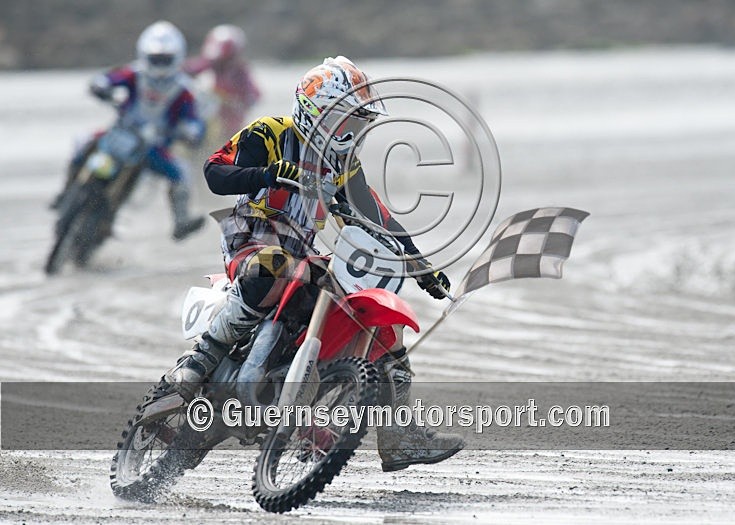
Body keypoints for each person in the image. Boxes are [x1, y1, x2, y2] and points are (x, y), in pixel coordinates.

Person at [165, 56, 464, 471]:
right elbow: (214, 173)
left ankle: (399, 433)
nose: (352, 132)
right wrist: (267, 174)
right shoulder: (269, 133)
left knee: (381, 323)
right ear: (316, 114)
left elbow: (377, 215)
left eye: (358, 122)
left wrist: (420, 265)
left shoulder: (343, 165)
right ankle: (202, 358)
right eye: (346, 121)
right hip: (250, 241)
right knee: (272, 263)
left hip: (302, 255)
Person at [54, 20, 205, 241]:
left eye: (165, 59)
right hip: (120, 134)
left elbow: (194, 121)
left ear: (177, 57)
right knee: (83, 140)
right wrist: (101, 86)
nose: (159, 64)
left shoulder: (185, 90)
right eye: (155, 58)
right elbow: (106, 79)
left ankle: (181, 221)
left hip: (153, 148)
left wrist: (191, 132)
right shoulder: (133, 73)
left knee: (182, 173)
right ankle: (66, 192)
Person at [184, 25, 261, 142]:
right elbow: (184, 72)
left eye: (225, 59)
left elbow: (254, 95)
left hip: (229, 129)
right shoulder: (204, 65)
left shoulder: (240, 72)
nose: (220, 63)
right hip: (203, 124)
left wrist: (235, 102)